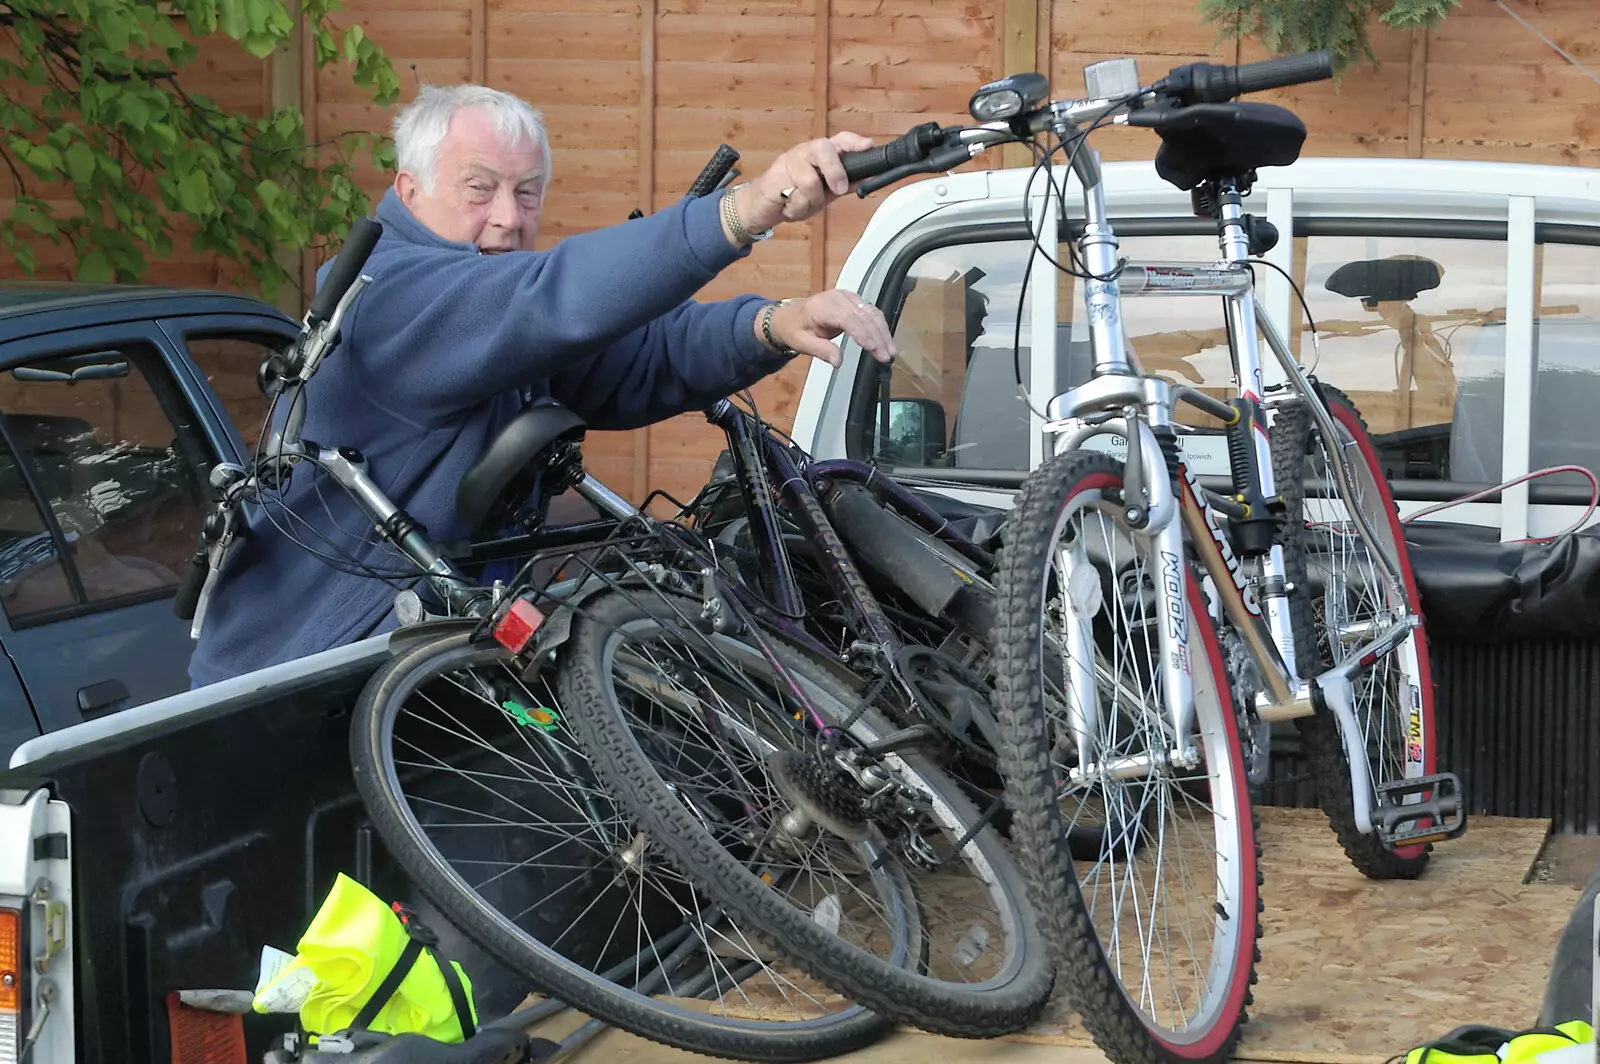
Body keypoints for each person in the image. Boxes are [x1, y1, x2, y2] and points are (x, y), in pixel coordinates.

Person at [187, 83, 900, 687]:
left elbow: (635, 357)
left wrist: (774, 323)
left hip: (424, 655)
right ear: (410, 190)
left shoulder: (493, 315)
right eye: (480, 189)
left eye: (527, 194)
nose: (507, 216)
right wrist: (749, 209)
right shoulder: (388, 298)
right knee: (356, 861)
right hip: (295, 679)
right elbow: (550, 297)